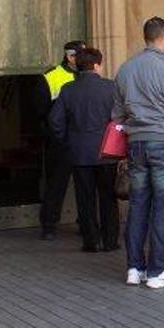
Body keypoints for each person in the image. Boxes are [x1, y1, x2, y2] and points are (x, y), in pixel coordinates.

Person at [113, 16, 164, 289]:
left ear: (145, 37)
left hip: (136, 144)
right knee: (163, 207)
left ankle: (134, 268)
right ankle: (159, 270)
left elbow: (116, 114)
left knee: (138, 205)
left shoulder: (125, 70)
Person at [48, 48, 119, 252]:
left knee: (85, 198)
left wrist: (67, 141)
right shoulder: (110, 87)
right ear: (97, 65)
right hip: (107, 153)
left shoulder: (68, 89)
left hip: (79, 152)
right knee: (108, 198)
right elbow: (120, 118)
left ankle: (91, 241)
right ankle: (110, 240)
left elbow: (55, 121)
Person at [37, 40, 86, 240]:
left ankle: (85, 222)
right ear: (70, 56)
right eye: (81, 56)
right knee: (56, 184)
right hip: (60, 141)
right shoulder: (51, 76)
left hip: (82, 139)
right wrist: (56, 136)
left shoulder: (86, 77)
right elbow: (41, 112)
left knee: (85, 185)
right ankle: (49, 224)